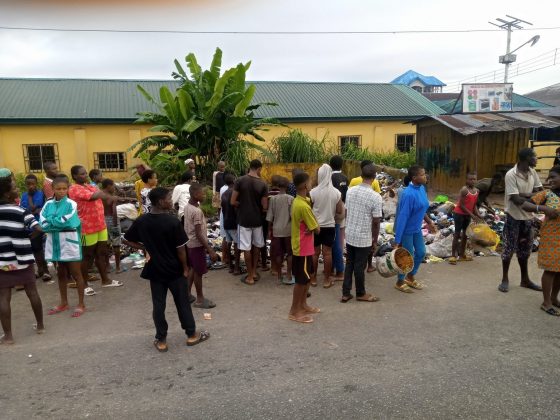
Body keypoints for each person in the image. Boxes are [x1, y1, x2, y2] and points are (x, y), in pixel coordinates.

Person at [124, 187, 209, 352]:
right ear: (161, 202)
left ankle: (161, 339)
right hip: (175, 270)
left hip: (155, 269)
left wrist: (145, 248)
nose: (171, 201)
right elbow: (180, 249)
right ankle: (191, 335)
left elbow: (126, 239)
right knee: (182, 303)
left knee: (158, 305)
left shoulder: (142, 221)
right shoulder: (172, 222)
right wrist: (185, 268)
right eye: (169, 198)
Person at [0, 170, 44, 344]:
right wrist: (26, 239)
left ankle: (8, 336)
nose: (17, 189)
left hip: (2, 261)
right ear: (7, 193)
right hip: (23, 259)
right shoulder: (21, 211)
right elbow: (38, 228)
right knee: (32, 292)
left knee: (4, 297)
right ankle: (40, 326)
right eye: (14, 188)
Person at [69, 165, 123, 296]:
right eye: (82, 174)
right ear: (74, 176)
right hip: (86, 228)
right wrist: (108, 195)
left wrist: (107, 194)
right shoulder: (74, 189)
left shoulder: (89, 186)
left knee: (102, 253)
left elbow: (101, 194)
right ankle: (84, 284)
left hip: (100, 225)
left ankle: (105, 280)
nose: (85, 175)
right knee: (87, 257)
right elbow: (95, 195)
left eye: (85, 173)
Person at [499, 148, 544, 293]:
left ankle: (525, 280)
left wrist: (525, 194)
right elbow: (516, 200)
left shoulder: (532, 172)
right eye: (534, 157)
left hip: (528, 218)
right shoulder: (511, 174)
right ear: (526, 158)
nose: (536, 159)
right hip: (513, 217)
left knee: (525, 251)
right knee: (508, 249)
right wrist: (534, 198)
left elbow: (541, 192)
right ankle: (504, 279)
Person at [41, 175, 87, 318]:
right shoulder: (47, 204)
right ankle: (64, 302)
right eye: (58, 189)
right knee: (61, 273)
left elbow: (66, 221)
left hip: (69, 242)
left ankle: (81, 303)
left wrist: (51, 222)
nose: (61, 191)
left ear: (68, 189)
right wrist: (53, 223)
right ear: (52, 189)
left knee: (76, 273)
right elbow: (43, 222)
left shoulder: (71, 204)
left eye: (64, 188)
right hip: (56, 243)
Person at [521, 166, 560, 315]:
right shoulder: (547, 194)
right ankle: (546, 302)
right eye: (549, 177)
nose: (550, 180)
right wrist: (543, 209)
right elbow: (525, 205)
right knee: (550, 270)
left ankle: (554, 298)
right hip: (551, 238)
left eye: (553, 177)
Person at [341, 164, 382, 303]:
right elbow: (376, 222)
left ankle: (346, 293)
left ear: (361, 175)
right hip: (363, 236)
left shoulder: (350, 191)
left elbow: (347, 211)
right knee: (359, 266)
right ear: (374, 177)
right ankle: (360, 293)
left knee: (349, 263)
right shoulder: (376, 196)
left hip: (350, 233)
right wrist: (374, 240)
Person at [394, 165, 433, 293]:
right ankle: (400, 282)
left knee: (421, 253)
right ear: (414, 177)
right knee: (407, 257)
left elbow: (422, 208)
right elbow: (402, 217)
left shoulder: (422, 188)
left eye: (424, 173)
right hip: (406, 231)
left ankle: (410, 276)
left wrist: (429, 222)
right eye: (422, 174)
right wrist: (397, 239)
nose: (425, 176)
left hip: (416, 229)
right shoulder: (408, 194)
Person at [289, 172, 320, 323]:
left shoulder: (301, 201)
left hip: (305, 246)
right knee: (301, 280)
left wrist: (312, 225)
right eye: (310, 182)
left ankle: (303, 305)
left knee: (307, 278)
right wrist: (313, 225)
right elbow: (317, 229)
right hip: (302, 248)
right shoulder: (302, 206)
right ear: (306, 186)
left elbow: (312, 225)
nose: (312, 183)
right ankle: (294, 311)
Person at [231, 159, 268, 285]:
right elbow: (265, 206)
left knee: (246, 248)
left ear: (250, 167)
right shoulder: (263, 184)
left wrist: (241, 204)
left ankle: (250, 276)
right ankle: (254, 272)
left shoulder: (240, 180)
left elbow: (232, 201)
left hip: (243, 220)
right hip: (257, 220)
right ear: (259, 169)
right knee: (257, 246)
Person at [184, 183, 217, 309]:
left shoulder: (188, 207)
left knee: (193, 268)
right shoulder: (196, 211)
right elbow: (198, 233)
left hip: (190, 243)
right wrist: (210, 249)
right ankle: (200, 299)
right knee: (199, 272)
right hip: (197, 245)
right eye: (202, 193)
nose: (204, 195)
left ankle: (187, 294)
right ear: (195, 194)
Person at [310, 164, 343, 289]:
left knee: (315, 253)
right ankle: (326, 280)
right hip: (330, 226)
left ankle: (313, 278)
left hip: (315, 226)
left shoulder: (313, 192)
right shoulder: (336, 193)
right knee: (327, 253)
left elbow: (309, 208)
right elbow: (339, 211)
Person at [20, 174, 50, 281]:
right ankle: (40, 270)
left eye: (33, 184)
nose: (31, 186)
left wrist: (34, 208)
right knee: (35, 248)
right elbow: (24, 210)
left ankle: (45, 271)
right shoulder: (23, 195)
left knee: (39, 247)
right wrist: (34, 209)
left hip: (40, 225)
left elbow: (37, 207)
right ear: (25, 184)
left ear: (36, 183)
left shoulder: (41, 194)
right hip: (29, 226)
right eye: (28, 184)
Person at [449, 172, 482, 265]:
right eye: (470, 179)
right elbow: (461, 205)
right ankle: (453, 256)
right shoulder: (464, 190)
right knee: (457, 234)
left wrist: (478, 215)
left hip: (467, 215)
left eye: (474, 179)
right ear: (467, 180)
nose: (472, 181)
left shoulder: (477, 191)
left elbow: (474, 205)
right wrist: (472, 215)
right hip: (459, 214)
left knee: (465, 234)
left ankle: (462, 255)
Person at [267, 176, 294, 285]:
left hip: (277, 230)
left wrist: (269, 230)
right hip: (288, 230)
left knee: (278, 254)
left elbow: (270, 216)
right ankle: (289, 274)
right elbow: (293, 216)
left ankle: (279, 274)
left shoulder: (273, 199)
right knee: (290, 253)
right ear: (287, 186)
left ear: (278, 186)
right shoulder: (291, 198)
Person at [330, 155, 348, 280]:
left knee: (333, 242)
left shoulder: (329, 178)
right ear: (342, 165)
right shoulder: (345, 178)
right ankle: (336, 267)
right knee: (340, 240)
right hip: (343, 210)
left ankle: (334, 268)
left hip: (333, 213)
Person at [101, 179, 123, 274]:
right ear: (108, 186)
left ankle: (108, 266)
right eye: (113, 185)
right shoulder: (112, 197)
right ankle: (118, 267)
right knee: (116, 244)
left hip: (102, 221)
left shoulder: (99, 195)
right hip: (112, 221)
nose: (114, 187)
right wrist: (115, 224)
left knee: (106, 244)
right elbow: (114, 211)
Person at [221, 173, 241, 275]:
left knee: (229, 243)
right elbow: (236, 208)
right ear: (234, 181)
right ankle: (237, 267)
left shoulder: (224, 194)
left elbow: (223, 209)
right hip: (234, 222)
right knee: (237, 244)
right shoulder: (235, 193)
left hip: (226, 221)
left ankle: (230, 266)